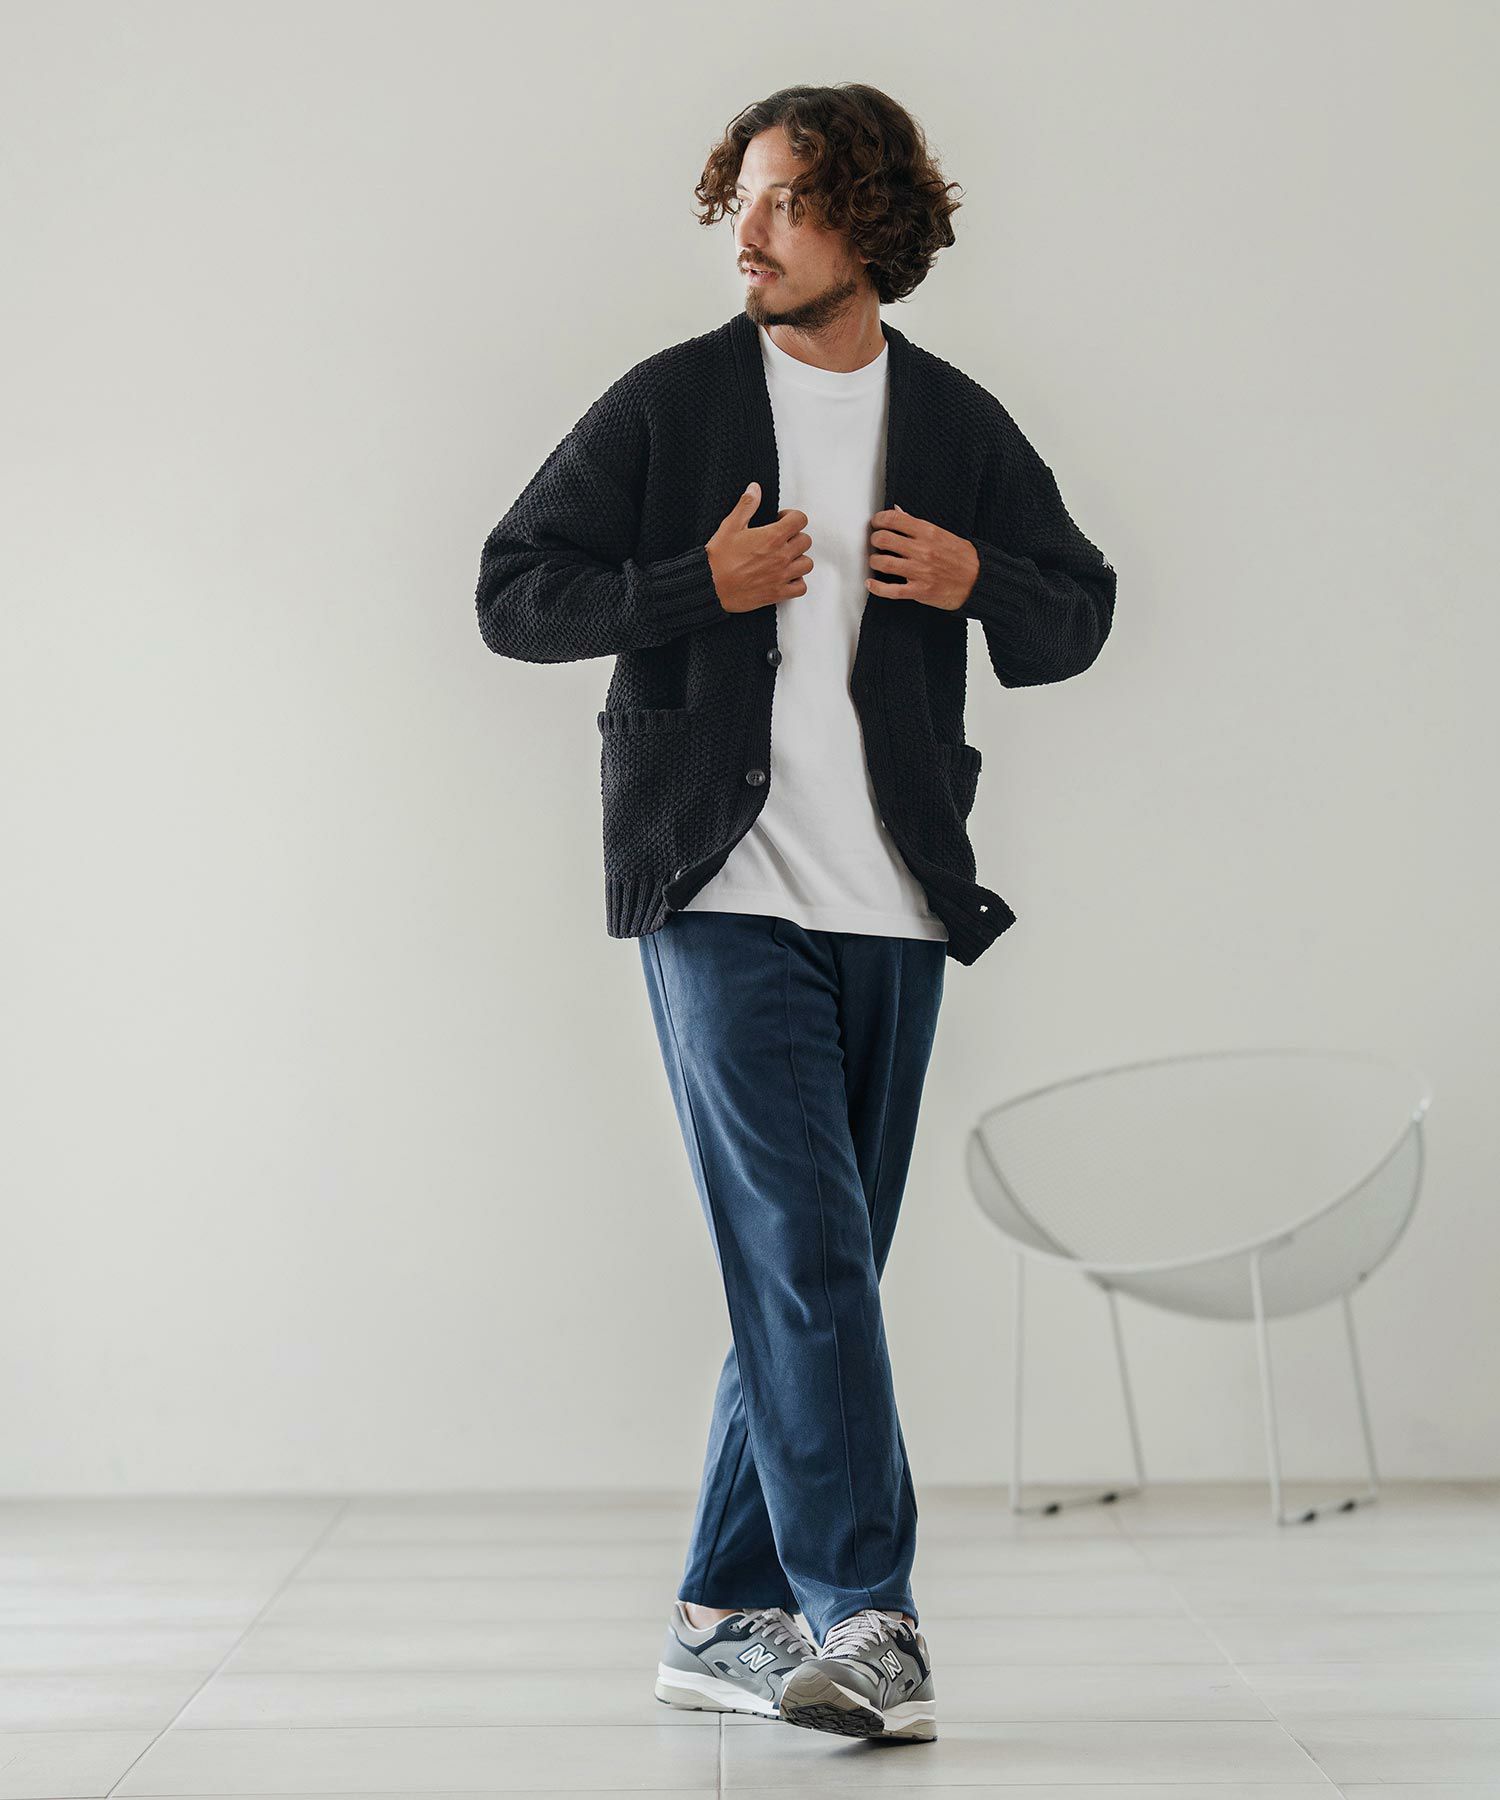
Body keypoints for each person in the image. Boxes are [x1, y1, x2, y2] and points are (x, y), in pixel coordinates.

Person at [474, 83, 1117, 1744]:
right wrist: (696, 586)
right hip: (719, 886)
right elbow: (514, 590)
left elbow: (1079, 607)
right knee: (810, 1254)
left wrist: (979, 582)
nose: (746, 235)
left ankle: (720, 1614)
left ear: (868, 226)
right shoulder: (674, 404)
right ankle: (868, 1615)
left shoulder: (953, 421)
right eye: (740, 200)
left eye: (784, 203)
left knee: (814, 1268)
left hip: (895, 898)